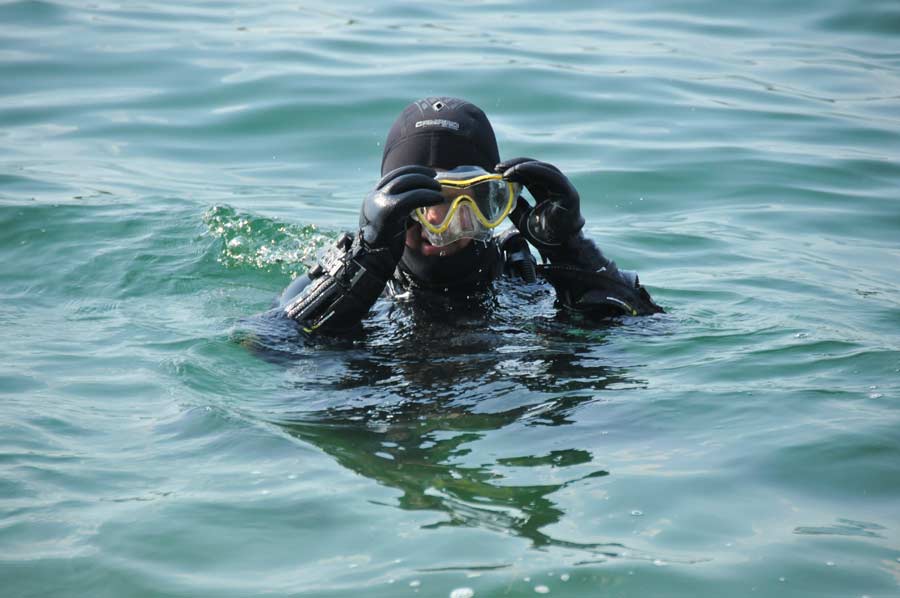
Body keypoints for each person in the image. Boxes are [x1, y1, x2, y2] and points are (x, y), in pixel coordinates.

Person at [277, 97, 662, 334]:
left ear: (493, 203)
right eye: (415, 204)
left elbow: (646, 333)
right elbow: (270, 349)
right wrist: (362, 268)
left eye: (466, 200)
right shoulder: (345, 284)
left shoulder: (525, 281)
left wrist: (572, 250)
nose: (437, 223)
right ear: (385, 205)